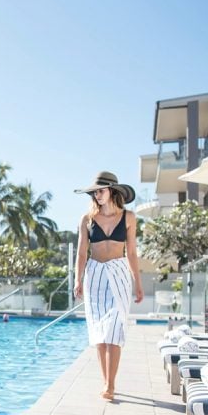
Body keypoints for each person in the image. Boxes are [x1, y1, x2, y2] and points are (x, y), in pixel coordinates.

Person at [73, 171, 144, 401]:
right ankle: (105, 381)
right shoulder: (87, 219)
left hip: (119, 273)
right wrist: (78, 280)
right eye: (94, 192)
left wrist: (138, 283)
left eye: (100, 190)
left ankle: (110, 385)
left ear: (112, 190)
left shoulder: (129, 217)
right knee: (99, 332)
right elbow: (82, 252)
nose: (97, 195)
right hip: (94, 275)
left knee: (114, 328)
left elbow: (131, 252)